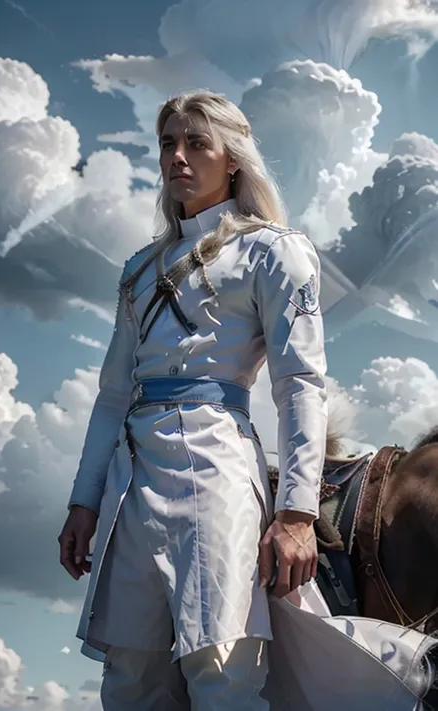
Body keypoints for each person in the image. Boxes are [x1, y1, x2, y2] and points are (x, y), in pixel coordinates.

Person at [58, 91, 435, 711]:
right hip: (132, 480)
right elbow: (110, 398)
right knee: (131, 684)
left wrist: (295, 515)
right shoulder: (138, 270)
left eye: (196, 143)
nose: (177, 157)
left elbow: (299, 387)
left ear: (231, 158)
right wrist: (83, 502)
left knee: (225, 671)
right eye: (168, 144)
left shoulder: (274, 251)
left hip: (216, 469)